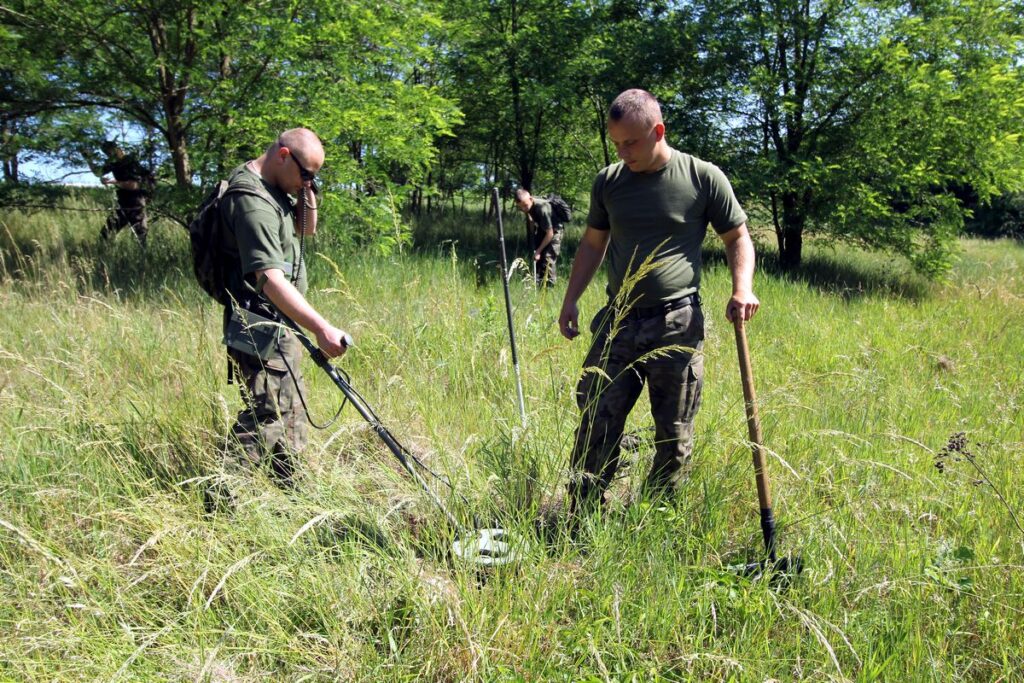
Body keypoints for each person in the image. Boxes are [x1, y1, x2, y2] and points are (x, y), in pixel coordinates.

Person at [558, 89, 759, 511]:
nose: (623, 152)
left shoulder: (702, 177)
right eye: (616, 143)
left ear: (658, 131)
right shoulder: (609, 182)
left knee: (674, 431)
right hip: (618, 322)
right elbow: (594, 244)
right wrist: (571, 298)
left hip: (677, 322)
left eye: (631, 142)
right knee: (596, 418)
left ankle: (653, 520)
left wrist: (742, 287)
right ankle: (582, 515)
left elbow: (737, 236)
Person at [218, 127, 350, 492]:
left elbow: (306, 230)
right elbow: (271, 279)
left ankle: (293, 492)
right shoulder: (252, 202)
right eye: (306, 174)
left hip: (280, 322)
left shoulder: (278, 188)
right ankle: (219, 497)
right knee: (269, 414)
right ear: (282, 156)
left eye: (315, 177)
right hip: (259, 324)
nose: (309, 182)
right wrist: (321, 328)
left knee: (292, 408)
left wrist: (306, 190)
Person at [94, 141, 153, 247]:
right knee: (105, 234)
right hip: (123, 202)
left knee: (140, 236)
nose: (108, 155)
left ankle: (144, 259)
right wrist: (88, 158)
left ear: (116, 149)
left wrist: (110, 181)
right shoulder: (113, 163)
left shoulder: (131, 162)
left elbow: (133, 184)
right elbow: (97, 172)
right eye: (106, 153)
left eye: (109, 152)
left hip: (136, 201)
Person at [514, 188, 564, 286]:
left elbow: (550, 233)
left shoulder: (542, 208)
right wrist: (534, 237)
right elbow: (531, 218)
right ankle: (538, 284)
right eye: (521, 207)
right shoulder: (528, 205)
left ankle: (550, 287)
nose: (524, 209)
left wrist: (538, 251)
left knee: (547, 258)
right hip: (543, 228)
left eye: (525, 206)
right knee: (537, 259)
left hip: (554, 230)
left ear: (531, 199)